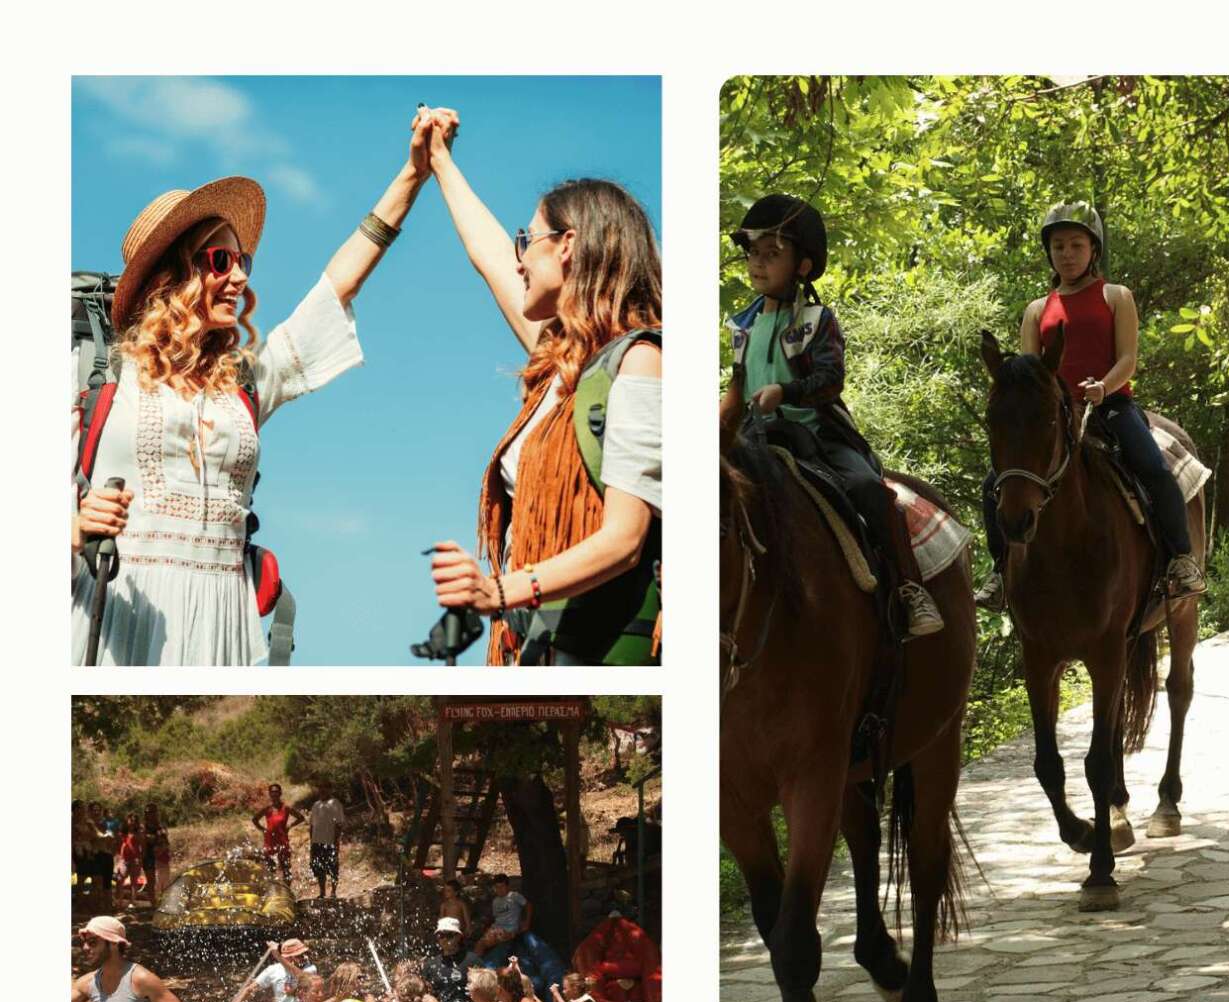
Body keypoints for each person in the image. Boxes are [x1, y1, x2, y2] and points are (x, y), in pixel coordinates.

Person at [73, 128, 441, 667]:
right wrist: (73, 523)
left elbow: (336, 289)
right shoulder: (99, 375)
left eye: (243, 259)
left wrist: (413, 176)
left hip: (227, 618)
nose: (240, 275)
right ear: (168, 277)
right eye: (220, 260)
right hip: (118, 615)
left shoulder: (244, 382)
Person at [418, 107, 663, 666]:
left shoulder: (641, 362)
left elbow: (626, 540)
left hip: (602, 650)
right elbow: (489, 258)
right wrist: (439, 163)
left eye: (528, 237)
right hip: (538, 640)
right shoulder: (560, 363)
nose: (520, 256)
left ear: (568, 245)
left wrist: (497, 591)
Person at [724, 194, 944, 640]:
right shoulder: (741, 324)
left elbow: (830, 379)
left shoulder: (816, 318)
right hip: (755, 436)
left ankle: (909, 587)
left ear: (802, 265)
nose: (757, 264)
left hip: (816, 432)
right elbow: (738, 385)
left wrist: (785, 391)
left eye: (772, 254)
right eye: (752, 253)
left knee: (867, 487)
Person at [976, 202, 1207, 612]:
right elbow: (1032, 375)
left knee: (1153, 468)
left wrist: (1104, 386)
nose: (1067, 253)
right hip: (1054, 416)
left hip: (1111, 405)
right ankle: (1000, 573)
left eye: (1076, 245)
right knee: (993, 481)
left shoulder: (1115, 296)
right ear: (1049, 252)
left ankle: (1180, 560)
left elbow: (1128, 359)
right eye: (1059, 245)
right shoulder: (1036, 310)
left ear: (1093, 250)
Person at [421, 916, 475, 1002]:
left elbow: (486, 991)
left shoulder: (472, 961)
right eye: (441, 935)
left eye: (449, 935)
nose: (444, 939)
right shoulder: (430, 965)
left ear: (459, 937)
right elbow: (424, 995)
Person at [253, 784, 304, 887]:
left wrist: (290, 825)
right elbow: (255, 819)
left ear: (280, 793)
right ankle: (272, 892)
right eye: (272, 792)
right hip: (269, 842)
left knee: (286, 868)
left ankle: (288, 892)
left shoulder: (286, 808)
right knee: (270, 869)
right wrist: (263, 830)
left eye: (276, 791)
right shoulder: (267, 808)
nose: (274, 793)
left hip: (282, 841)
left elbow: (300, 817)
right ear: (270, 794)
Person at [472, 874, 530, 963]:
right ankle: (476, 965)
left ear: (507, 886)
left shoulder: (514, 896)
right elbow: (497, 917)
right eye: (497, 887)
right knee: (479, 943)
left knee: (481, 944)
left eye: (501, 887)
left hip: (509, 929)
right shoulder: (495, 901)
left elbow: (528, 906)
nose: (499, 890)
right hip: (496, 928)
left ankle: (475, 967)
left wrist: (526, 922)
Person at [306, 784, 346, 902]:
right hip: (316, 842)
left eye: (325, 787)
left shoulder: (335, 803)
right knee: (319, 867)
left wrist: (336, 841)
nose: (322, 790)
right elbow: (312, 825)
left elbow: (339, 824)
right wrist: (311, 841)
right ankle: (322, 892)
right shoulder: (315, 805)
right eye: (321, 788)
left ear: (330, 789)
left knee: (333, 867)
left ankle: (333, 892)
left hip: (330, 841)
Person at [141, 803, 171, 908]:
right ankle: (154, 904)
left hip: (161, 856)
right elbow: (143, 840)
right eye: (148, 812)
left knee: (164, 881)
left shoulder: (161, 826)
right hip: (148, 856)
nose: (151, 814)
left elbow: (166, 841)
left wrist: (161, 847)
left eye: (153, 811)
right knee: (151, 881)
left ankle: (163, 903)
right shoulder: (143, 827)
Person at [116, 812, 144, 904]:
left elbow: (142, 844)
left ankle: (132, 902)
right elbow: (118, 845)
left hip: (135, 859)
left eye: (135, 820)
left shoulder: (139, 832)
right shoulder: (122, 832)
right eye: (131, 820)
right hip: (124, 859)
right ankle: (120, 901)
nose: (132, 822)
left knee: (134, 881)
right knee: (120, 879)